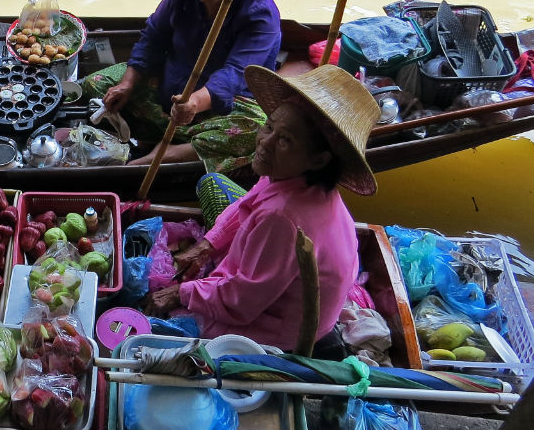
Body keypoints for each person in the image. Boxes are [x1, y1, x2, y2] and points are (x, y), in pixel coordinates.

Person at [143, 63, 381, 351]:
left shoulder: (281, 218)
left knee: (162, 323)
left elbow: (241, 301)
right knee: (213, 183)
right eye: (269, 126)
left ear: (318, 159)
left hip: (275, 332)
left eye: (285, 140)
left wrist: (181, 293)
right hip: (273, 284)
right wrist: (206, 245)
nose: (265, 142)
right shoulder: (298, 178)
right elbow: (249, 201)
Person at [82, 0, 282, 176]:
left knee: (258, 128)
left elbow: (234, 74)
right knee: (96, 83)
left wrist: (194, 104)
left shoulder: (260, 14)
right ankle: (175, 137)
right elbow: (154, 36)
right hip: (172, 85)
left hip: (226, 102)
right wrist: (128, 84)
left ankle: (171, 151)